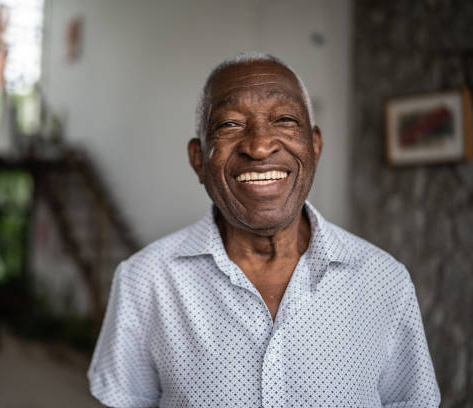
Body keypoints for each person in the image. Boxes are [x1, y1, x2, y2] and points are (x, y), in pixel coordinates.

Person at [87, 52, 440, 407]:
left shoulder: (384, 280)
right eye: (229, 125)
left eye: (285, 119)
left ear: (314, 147)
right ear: (199, 159)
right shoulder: (144, 281)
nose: (259, 146)